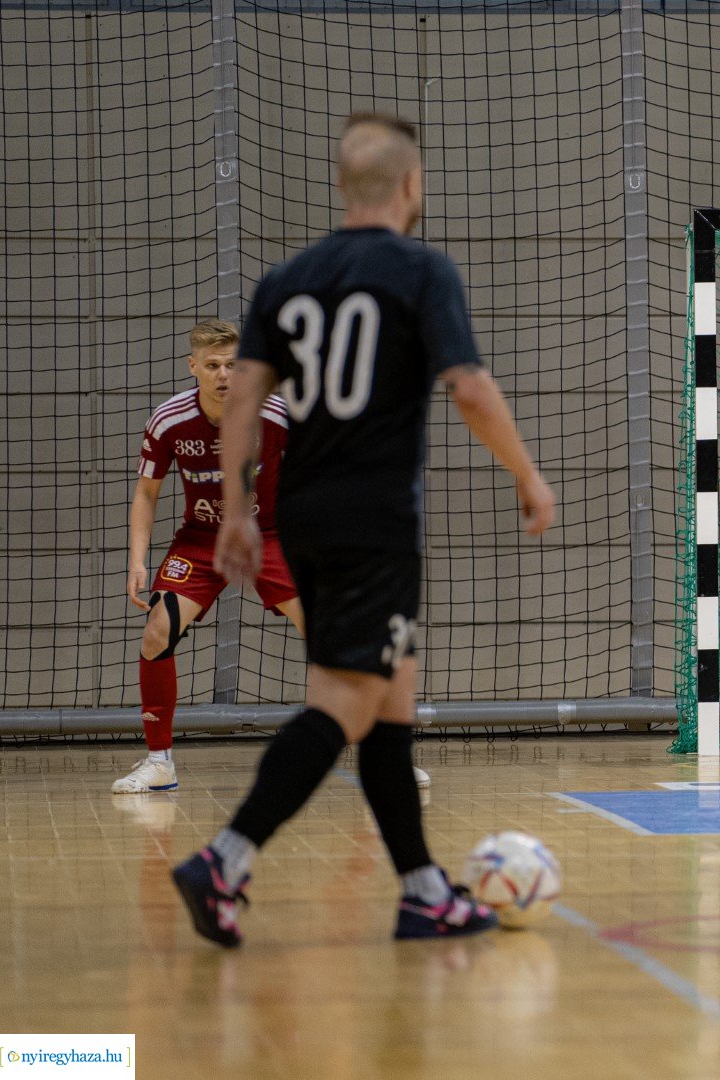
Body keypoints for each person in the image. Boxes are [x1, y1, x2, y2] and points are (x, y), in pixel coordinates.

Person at [172, 112, 555, 946]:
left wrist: (237, 512)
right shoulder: (422, 270)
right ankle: (224, 861)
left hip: (302, 515)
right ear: (412, 187)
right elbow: (469, 387)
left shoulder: (287, 280)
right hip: (373, 521)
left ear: (344, 186)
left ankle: (423, 892)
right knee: (345, 702)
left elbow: (242, 400)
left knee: (390, 699)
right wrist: (528, 476)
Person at [117, 321, 429, 795]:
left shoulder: (277, 414)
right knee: (157, 630)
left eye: (234, 365)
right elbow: (146, 492)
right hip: (202, 540)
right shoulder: (169, 420)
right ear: (193, 367)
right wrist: (138, 560)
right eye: (213, 365)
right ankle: (160, 762)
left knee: (333, 636)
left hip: (272, 537)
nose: (224, 375)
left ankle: (380, 757)